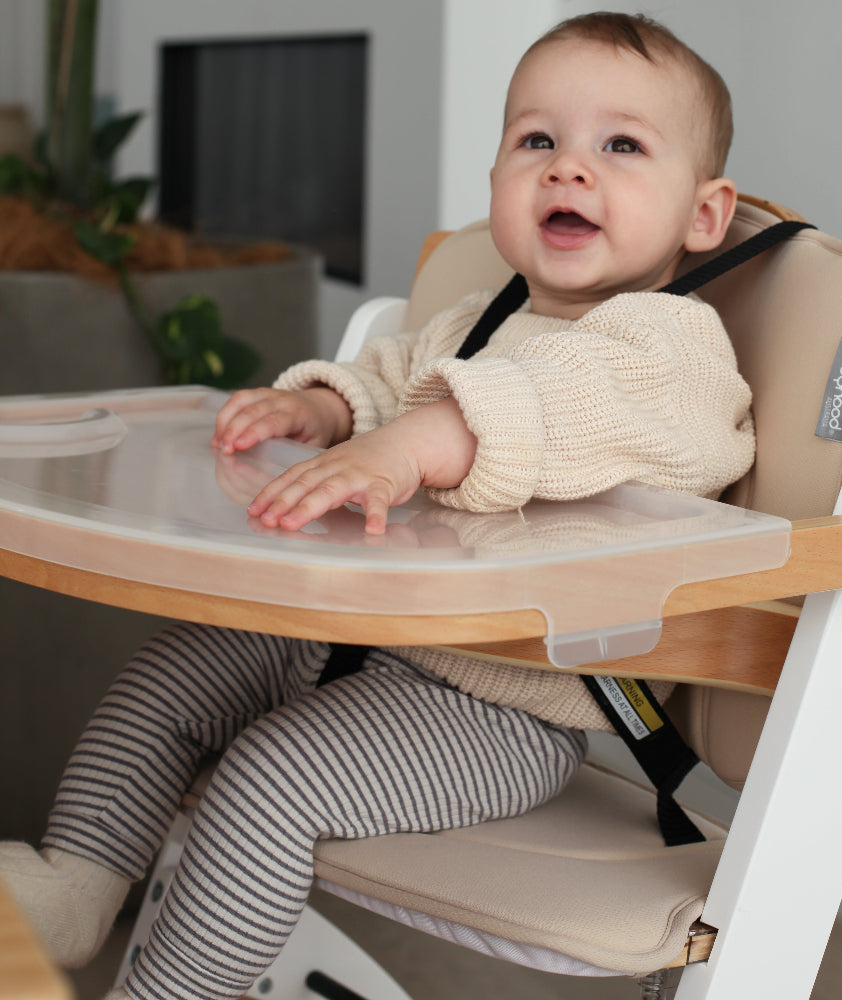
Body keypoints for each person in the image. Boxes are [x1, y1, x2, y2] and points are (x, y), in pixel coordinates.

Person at [0, 13, 753, 1000]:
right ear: (496, 184)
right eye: (537, 141)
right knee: (165, 675)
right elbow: (388, 375)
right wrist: (318, 407)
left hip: (496, 705)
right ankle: (76, 889)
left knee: (275, 776)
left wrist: (413, 444)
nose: (569, 170)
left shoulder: (671, 350)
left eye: (620, 145)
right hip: (356, 640)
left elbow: (554, 410)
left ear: (704, 214)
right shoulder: (477, 319)